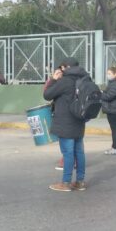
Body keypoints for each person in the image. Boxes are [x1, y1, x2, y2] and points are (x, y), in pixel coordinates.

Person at [43, 58, 88, 192]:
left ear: (65, 67)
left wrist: (53, 79)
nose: (60, 70)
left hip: (65, 122)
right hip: (79, 121)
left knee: (68, 153)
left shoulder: (65, 81)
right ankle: (80, 182)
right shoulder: (85, 79)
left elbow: (47, 94)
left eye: (61, 68)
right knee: (79, 152)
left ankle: (66, 182)